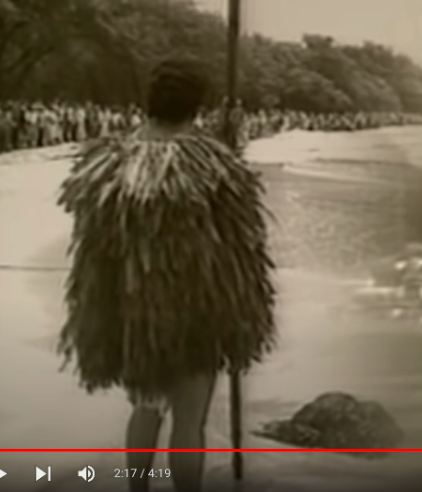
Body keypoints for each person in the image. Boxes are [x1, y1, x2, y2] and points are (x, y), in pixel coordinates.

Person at [57, 58, 277, 492]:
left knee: (145, 410)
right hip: (198, 310)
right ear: (197, 106)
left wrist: (102, 311)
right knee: (188, 422)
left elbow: (93, 246)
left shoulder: (111, 160)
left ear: (151, 101)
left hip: (134, 312)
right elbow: (244, 245)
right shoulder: (214, 162)